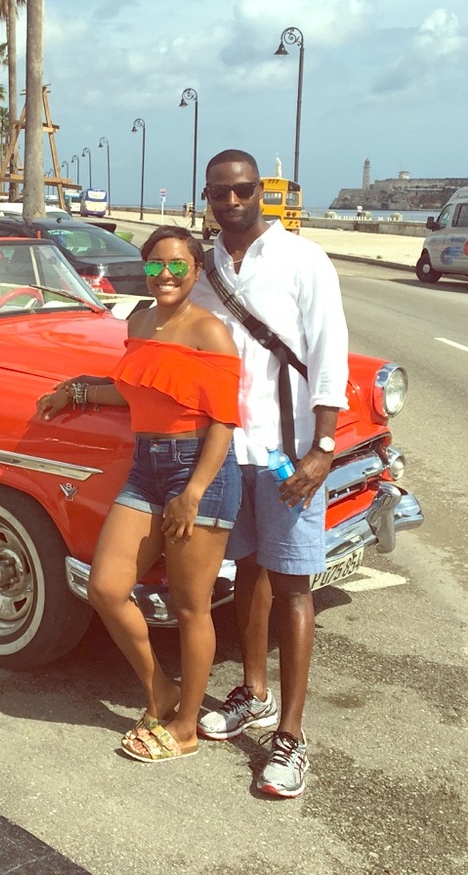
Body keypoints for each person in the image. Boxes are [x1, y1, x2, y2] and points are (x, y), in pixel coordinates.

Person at [36, 226, 241, 762]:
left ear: (196, 272)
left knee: (192, 607)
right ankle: (160, 691)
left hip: (199, 470)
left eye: (178, 265)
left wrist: (193, 493)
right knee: (105, 588)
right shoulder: (139, 321)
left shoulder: (209, 332)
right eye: (155, 265)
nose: (166, 275)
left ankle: (188, 727)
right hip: (147, 467)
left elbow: (223, 422)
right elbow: (136, 390)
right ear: (144, 269)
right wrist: (78, 390)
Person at [191, 149, 349, 798]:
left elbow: (329, 350)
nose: (232, 202)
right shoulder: (205, 267)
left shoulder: (302, 260)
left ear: (264, 192)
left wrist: (325, 448)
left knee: (293, 585)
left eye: (243, 191)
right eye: (220, 194)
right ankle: (252, 693)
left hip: (289, 453)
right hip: (233, 449)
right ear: (208, 198)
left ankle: (291, 735)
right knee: (248, 570)